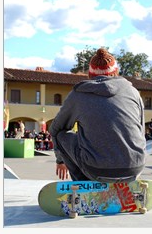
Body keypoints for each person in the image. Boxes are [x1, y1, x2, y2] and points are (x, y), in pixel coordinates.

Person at [49, 48, 146, 183]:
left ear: (89, 74)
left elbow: (55, 129)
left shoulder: (79, 94)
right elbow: (141, 129)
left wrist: (61, 159)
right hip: (135, 168)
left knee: (61, 135)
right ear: (116, 72)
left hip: (96, 170)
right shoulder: (133, 92)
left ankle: (83, 186)